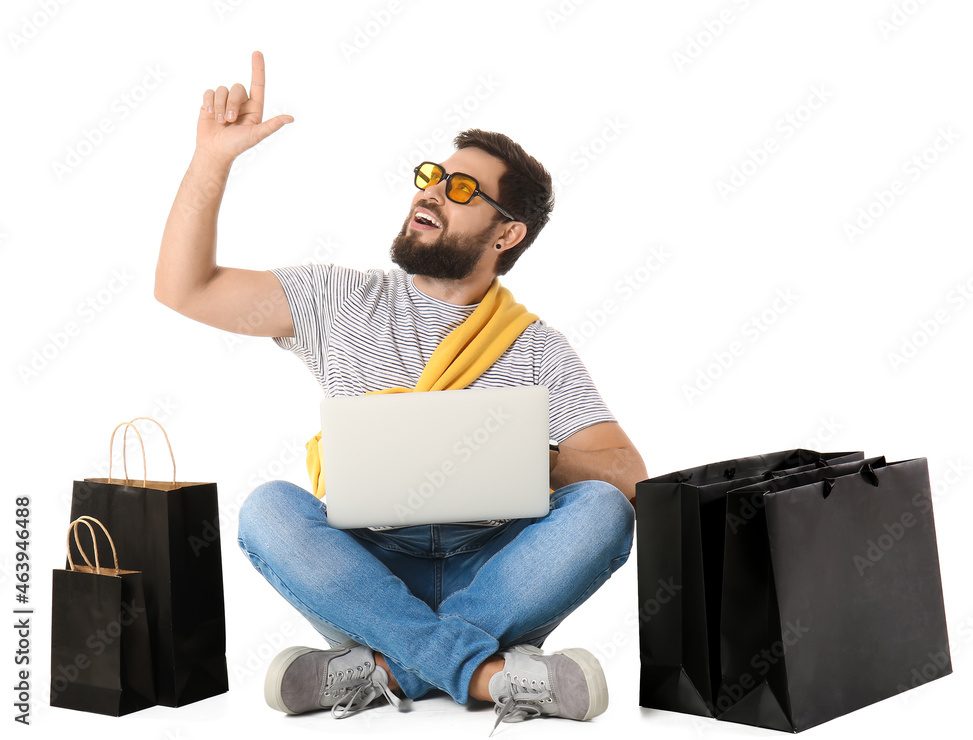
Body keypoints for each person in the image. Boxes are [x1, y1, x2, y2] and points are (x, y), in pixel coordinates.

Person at [155, 51, 647, 731]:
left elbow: (625, 476)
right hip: (368, 569)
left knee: (601, 510)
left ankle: (380, 669)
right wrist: (211, 160)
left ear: (507, 233)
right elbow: (186, 289)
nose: (431, 194)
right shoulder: (338, 300)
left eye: (462, 191)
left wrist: (527, 457)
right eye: (433, 179)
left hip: (496, 574)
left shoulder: (535, 346)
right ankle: (486, 672)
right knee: (268, 509)